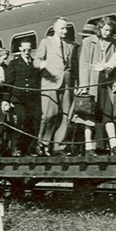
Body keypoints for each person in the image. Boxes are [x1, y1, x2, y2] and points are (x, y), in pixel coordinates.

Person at [76, 17, 116, 154]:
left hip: (105, 84)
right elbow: (83, 64)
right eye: (106, 30)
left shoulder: (113, 43)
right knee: (89, 116)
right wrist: (84, 85)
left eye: (110, 30)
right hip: (91, 84)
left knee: (108, 113)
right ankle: (88, 147)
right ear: (99, 29)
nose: (108, 33)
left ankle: (114, 145)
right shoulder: (89, 42)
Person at [34, 17, 76, 156]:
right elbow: (36, 60)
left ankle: (59, 146)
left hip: (66, 84)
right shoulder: (46, 42)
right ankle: (43, 143)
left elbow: (70, 67)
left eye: (66, 28)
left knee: (65, 115)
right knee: (50, 114)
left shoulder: (70, 46)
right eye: (62, 28)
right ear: (55, 29)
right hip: (50, 82)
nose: (65, 31)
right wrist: (42, 64)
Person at [4, 39, 41, 156]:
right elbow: (9, 82)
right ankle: (17, 147)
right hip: (18, 97)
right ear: (20, 49)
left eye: (29, 50)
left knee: (36, 121)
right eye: (24, 50)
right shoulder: (14, 63)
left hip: (31, 98)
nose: (26, 52)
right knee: (22, 119)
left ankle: (31, 148)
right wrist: (6, 99)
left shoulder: (34, 63)